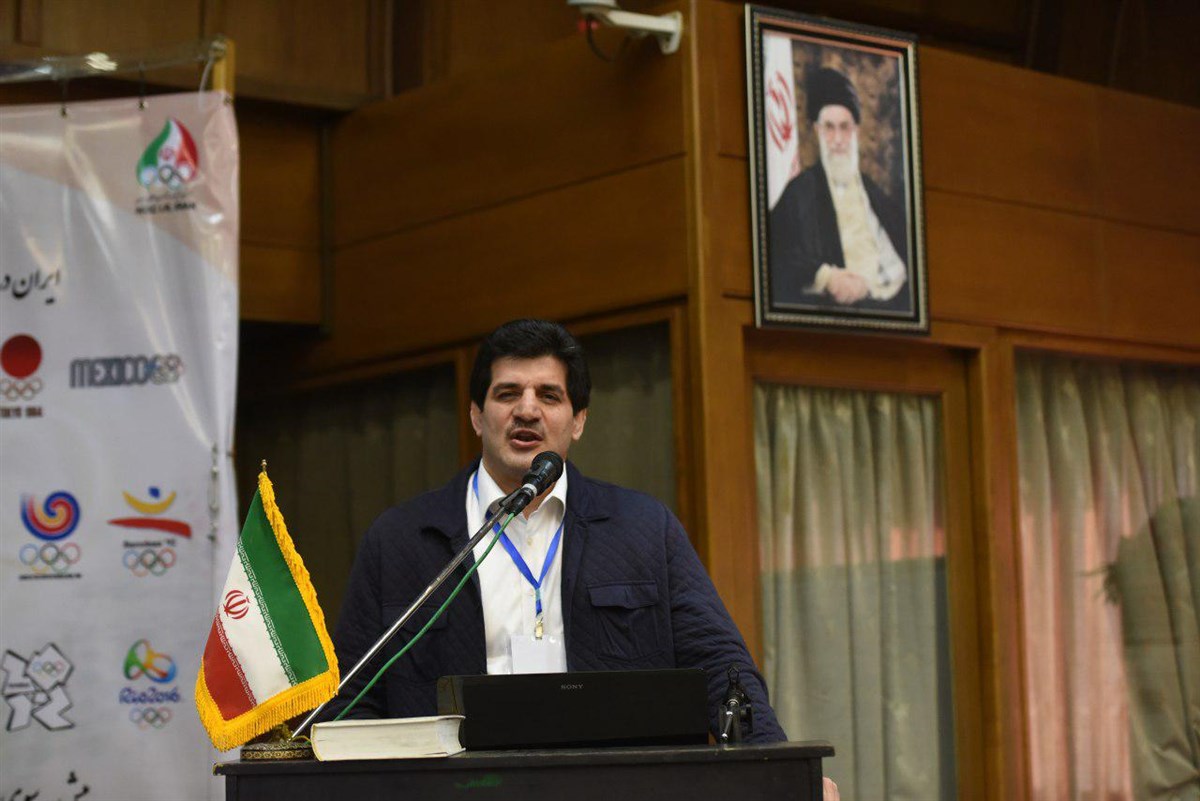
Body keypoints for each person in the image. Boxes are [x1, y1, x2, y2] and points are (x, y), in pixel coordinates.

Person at [327, 318, 786, 743]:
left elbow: (723, 671)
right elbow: (350, 703)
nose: (527, 410)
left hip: (607, 785)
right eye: (507, 394)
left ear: (578, 420)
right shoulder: (400, 540)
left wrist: (782, 774)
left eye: (549, 396)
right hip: (459, 787)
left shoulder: (643, 528)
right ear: (476, 415)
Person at [769, 66, 910, 311]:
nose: (837, 140)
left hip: (886, 307)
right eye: (829, 127)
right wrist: (825, 277)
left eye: (844, 127)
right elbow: (775, 257)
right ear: (817, 131)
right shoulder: (799, 193)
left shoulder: (877, 196)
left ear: (856, 131)